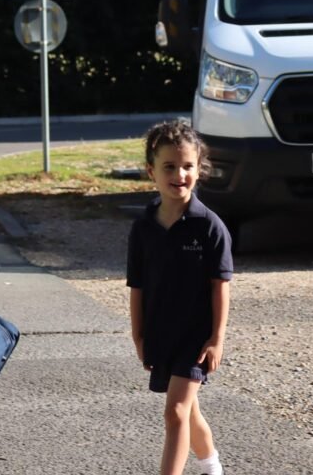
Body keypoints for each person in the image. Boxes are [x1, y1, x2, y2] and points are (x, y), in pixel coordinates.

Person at [127, 119, 233, 475]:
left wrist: (217, 339)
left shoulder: (209, 227)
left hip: (196, 338)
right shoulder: (143, 228)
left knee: (175, 412)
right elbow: (137, 285)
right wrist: (138, 335)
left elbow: (221, 285)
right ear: (151, 171)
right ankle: (212, 465)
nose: (180, 174)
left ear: (198, 169)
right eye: (169, 166)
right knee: (188, 410)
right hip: (161, 334)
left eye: (188, 166)